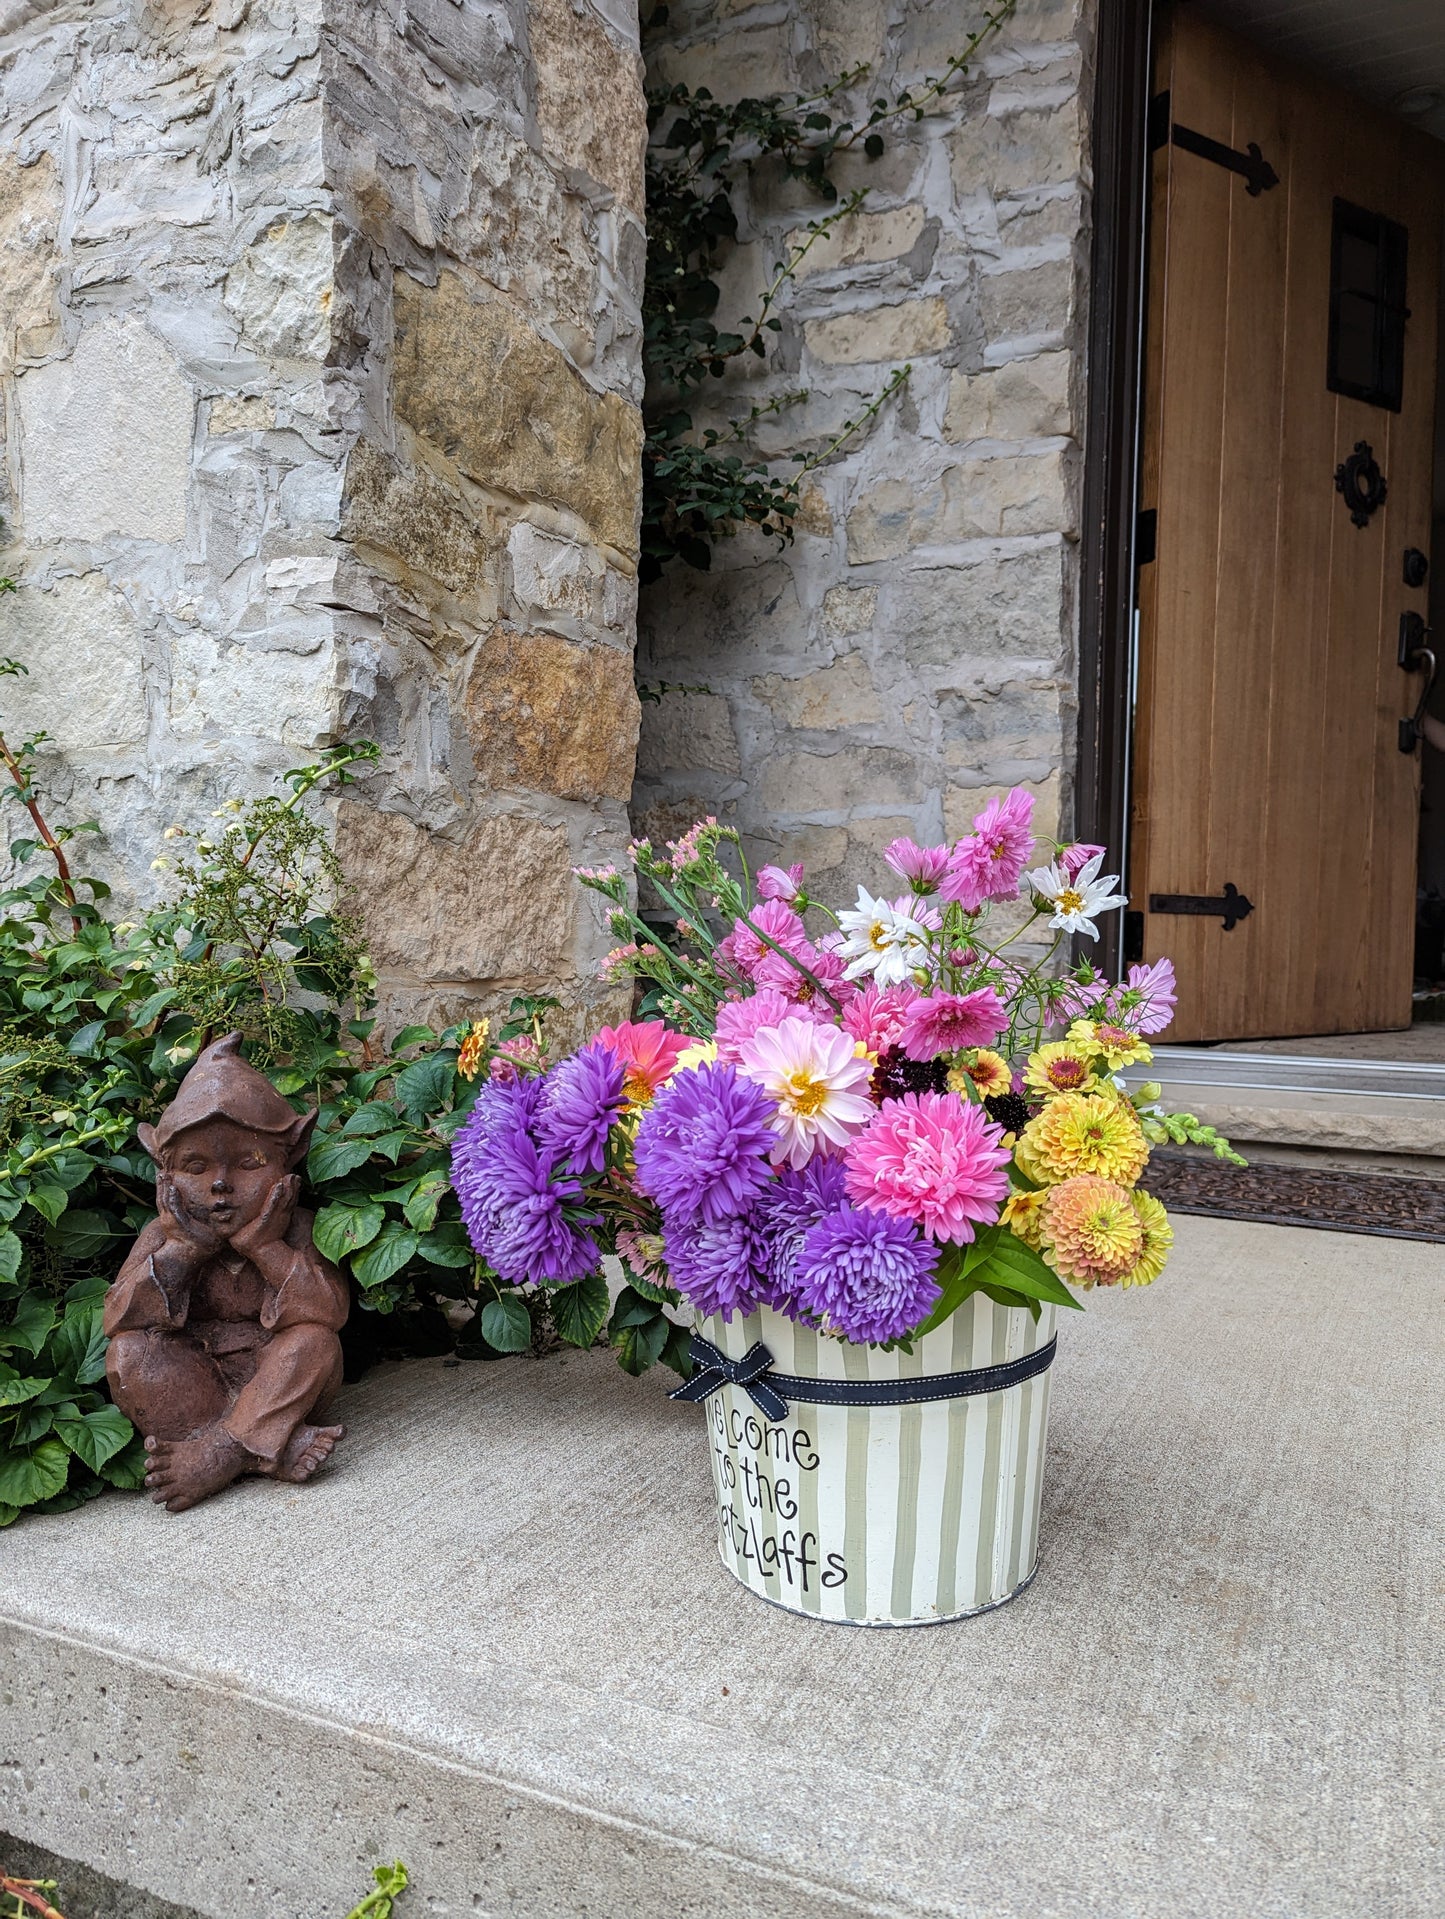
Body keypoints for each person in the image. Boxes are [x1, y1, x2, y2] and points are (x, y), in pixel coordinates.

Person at [104, 1034, 348, 1513]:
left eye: (247, 1162)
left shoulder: (297, 1228)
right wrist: (184, 1249)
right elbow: (120, 1317)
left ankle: (221, 1453)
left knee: (315, 1344)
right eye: (195, 1166)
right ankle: (262, 1448)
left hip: (276, 1383)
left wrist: (265, 1246)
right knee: (129, 1354)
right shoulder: (163, 1235)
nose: (220, 1184)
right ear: (164, 1173)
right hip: (194, 1385)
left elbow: (329, 1312)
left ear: (290, 1155)